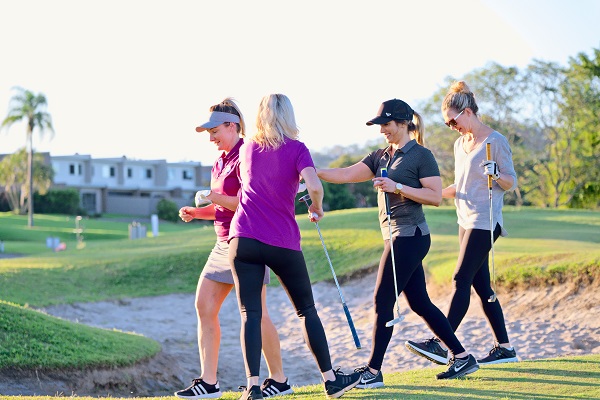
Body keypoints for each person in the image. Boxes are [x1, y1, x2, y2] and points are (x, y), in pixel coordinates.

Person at [317, 99, 479, 386]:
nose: (383, 130)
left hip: (410, 236)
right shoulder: (381, 156)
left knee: (382, 300)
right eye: (380, 126)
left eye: (387, 125)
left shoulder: (421, 155)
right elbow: (344, 175)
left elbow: (434, 196)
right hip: (396, 236)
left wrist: (398, 187)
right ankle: (462, 356)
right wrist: (310, 171)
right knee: (419, 303)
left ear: (403, 123)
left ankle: (373, 371)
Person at [228, 93, 361, 400]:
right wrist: (317, 207)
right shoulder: (297, 149)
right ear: (288, 115)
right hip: (281, 240)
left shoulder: (246, 148)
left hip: (243, 238)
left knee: (251, 313)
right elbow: (314, 185)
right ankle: (330, 380)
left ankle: (253, 387)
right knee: (306, 311)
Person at [175, 98, 293, 399]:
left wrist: (212, 196)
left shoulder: (246, 154)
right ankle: (209, 382)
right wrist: (197, 212)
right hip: (222, 242)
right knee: (204, 306)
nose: (211, 137)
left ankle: (278, 379)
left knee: (258, 313)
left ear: (233, 125)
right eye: (208, 132)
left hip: (247, 240)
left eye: (215, 131)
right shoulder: (220, 161)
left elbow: (246, 201)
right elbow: (221, 208)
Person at [405, 81, 519, 366]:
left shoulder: (496, 141)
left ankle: (442, 343)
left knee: (460, 279)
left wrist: (495, 174)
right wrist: (431, 194)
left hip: (485, 220)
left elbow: (511, 182)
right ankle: (504, 348)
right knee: (483, 288)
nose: (451, 127)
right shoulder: (460, 144)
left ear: (467, 112)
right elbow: (460, 185)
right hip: (465, 220)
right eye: (447, 124)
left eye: (452, 121)